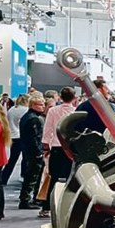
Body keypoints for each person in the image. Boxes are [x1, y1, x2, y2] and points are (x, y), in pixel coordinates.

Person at [40, 86, 78, 218]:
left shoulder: (52, 111)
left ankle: (46, 208)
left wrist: (45, 146)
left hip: (56, 148)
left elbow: (48, 129)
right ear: (74, 98)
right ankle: (66, 208)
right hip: (70, 149)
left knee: (53, 177)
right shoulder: (75, 112)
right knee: (69, 178)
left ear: (60, 97)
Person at [18, 96, 46, 210]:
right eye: (40, 104)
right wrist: (39, 152)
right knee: (32, 176)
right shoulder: (33, 119)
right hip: (33, 151)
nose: (43, 106)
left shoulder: (27, 117)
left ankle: (26, 199)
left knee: (31, 175)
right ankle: (25, 199)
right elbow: (34, 138)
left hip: (28, 150)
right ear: (33, 105)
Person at [1, 93, 30, 186]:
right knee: (26, 158)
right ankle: (24, 176)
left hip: (13, 136)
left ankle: (4, 178)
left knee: (12, 159)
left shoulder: (12, 109)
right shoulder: (25, 110)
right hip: (22, 136)